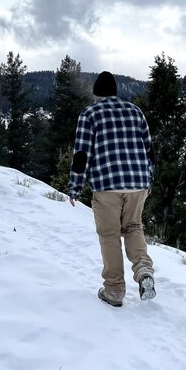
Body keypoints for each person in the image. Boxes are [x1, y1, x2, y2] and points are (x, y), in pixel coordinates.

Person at [68, 71, 156, 307]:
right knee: (133, 227)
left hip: (107, 184)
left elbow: (81, 154)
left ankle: (114, 290)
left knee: (109, 235)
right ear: (115, 93)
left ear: (96, 94)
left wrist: (75, 186)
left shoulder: (90, 113)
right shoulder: (135, 112)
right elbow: (149, 150)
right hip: (138, 182)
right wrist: (149, 180)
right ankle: (144, 270)